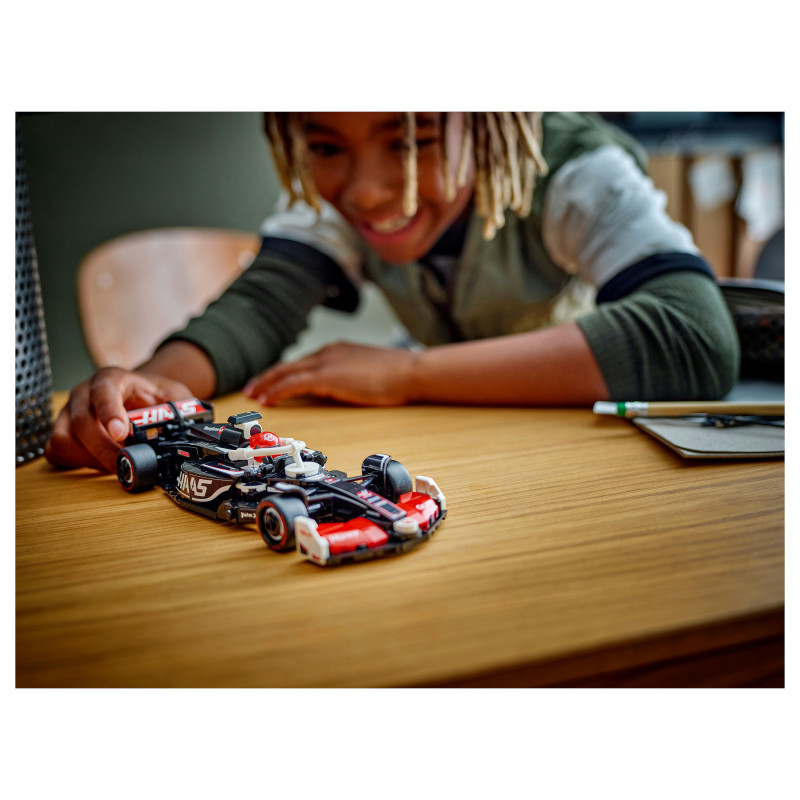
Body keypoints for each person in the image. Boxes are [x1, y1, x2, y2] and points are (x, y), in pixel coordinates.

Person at [45, 111, 740, 473]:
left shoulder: (577, 171)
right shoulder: (331, 203)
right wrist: (146, 386)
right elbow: (257, 308)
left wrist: (409, 373)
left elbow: (691, 338)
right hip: (454, 447)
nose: (368, 191)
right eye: (326, 147)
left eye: (411, 142)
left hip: (575, 448)